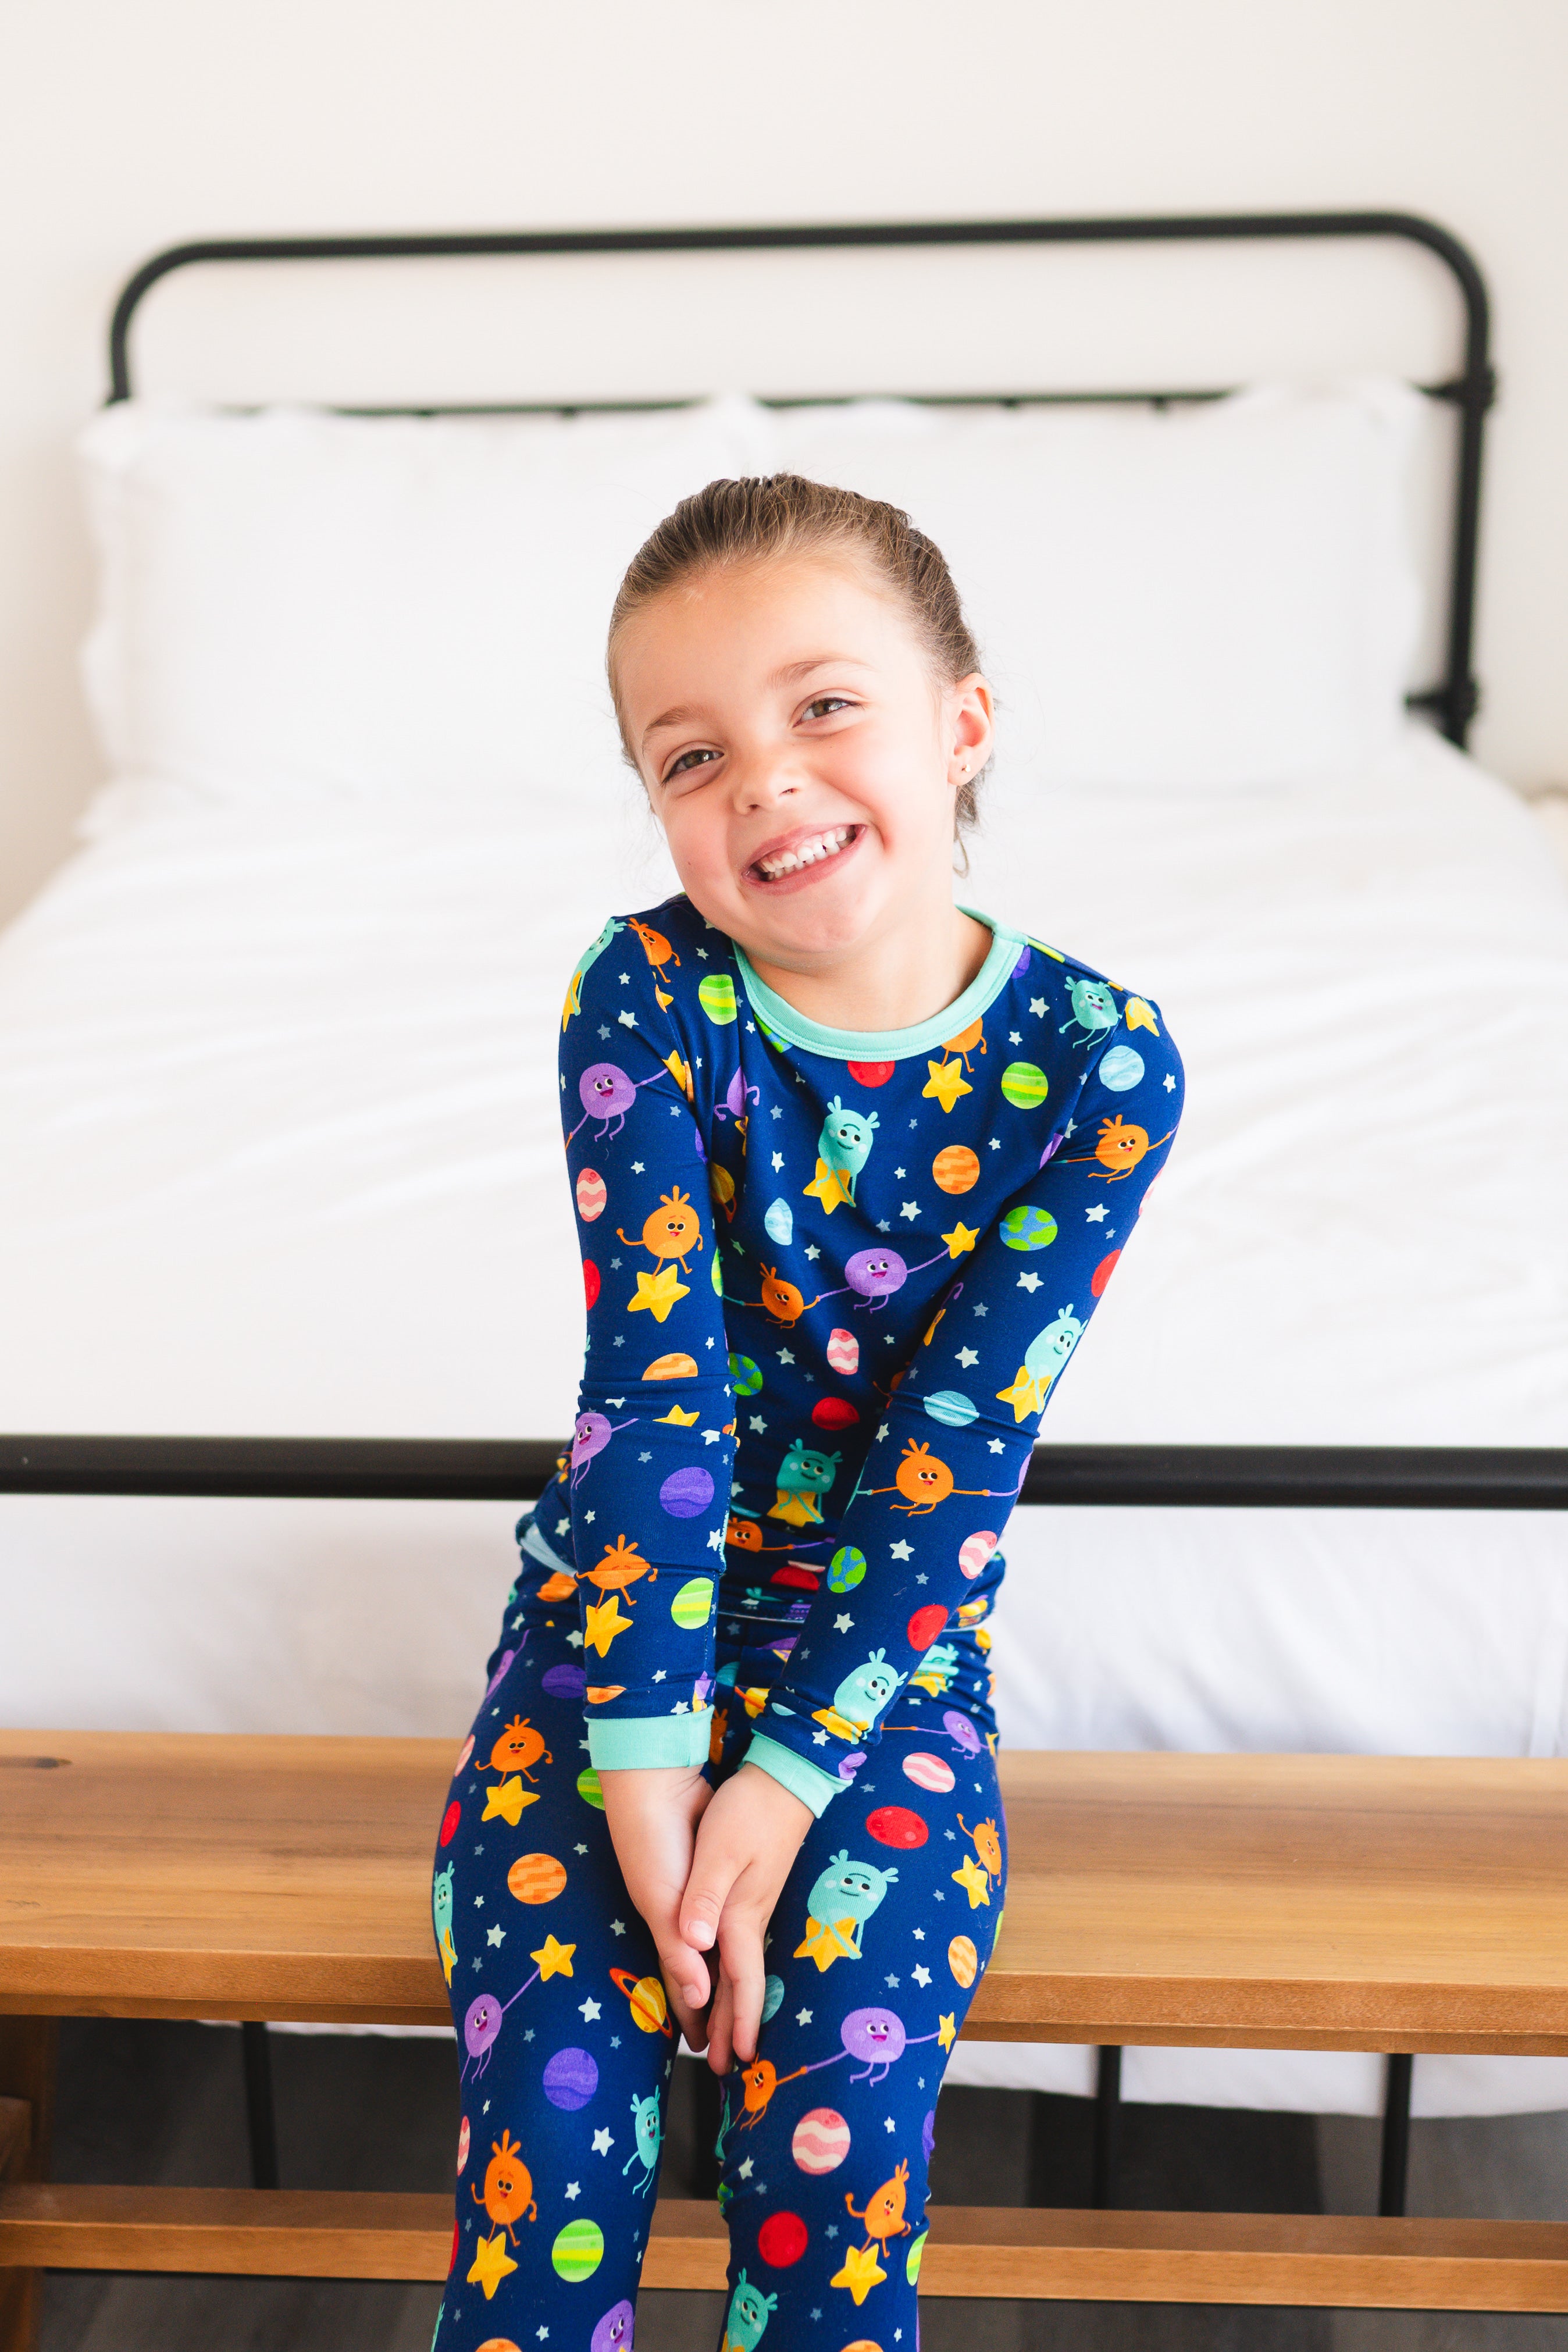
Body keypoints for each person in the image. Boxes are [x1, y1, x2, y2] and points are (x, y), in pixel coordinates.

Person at [430, 475, 1185, 2350]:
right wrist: (647, 1768)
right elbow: (656, 1395)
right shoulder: (651, 996)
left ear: (965, 725)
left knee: (835, 2127)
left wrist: (778, 1784)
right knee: (553, 2111)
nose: (766, 777)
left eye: (824, 706)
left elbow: (953, 1463)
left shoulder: (1100, 1063)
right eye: (693, 754)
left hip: (889, 1654)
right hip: (617, 1620)